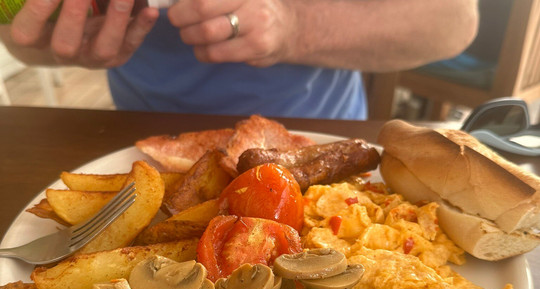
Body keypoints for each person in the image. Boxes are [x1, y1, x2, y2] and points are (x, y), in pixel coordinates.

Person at [0, 0, 479, 119]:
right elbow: (17, 37)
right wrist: (64, 38)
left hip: (320, 143)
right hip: (140, 148)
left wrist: (296, 27)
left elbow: (453, 20)